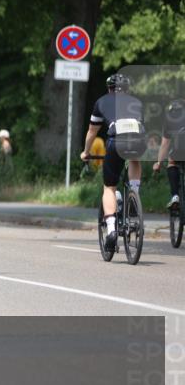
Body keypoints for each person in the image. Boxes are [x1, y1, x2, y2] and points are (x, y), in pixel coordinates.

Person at [79, 73, 146, 254]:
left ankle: (111, 229)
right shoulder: (137, 102)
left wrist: (86, 152)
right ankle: (134, 194)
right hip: (138, 141)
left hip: (116, 142)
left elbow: (92, 132)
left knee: (109, 186)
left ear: (109, 88)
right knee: (134, 158)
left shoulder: (102, 102)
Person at [152, 99, 185, 212]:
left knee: (171, 161)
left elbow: (165, 144)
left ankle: (175, 195)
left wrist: (158, 163)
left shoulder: (169, 119)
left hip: (179, 148)